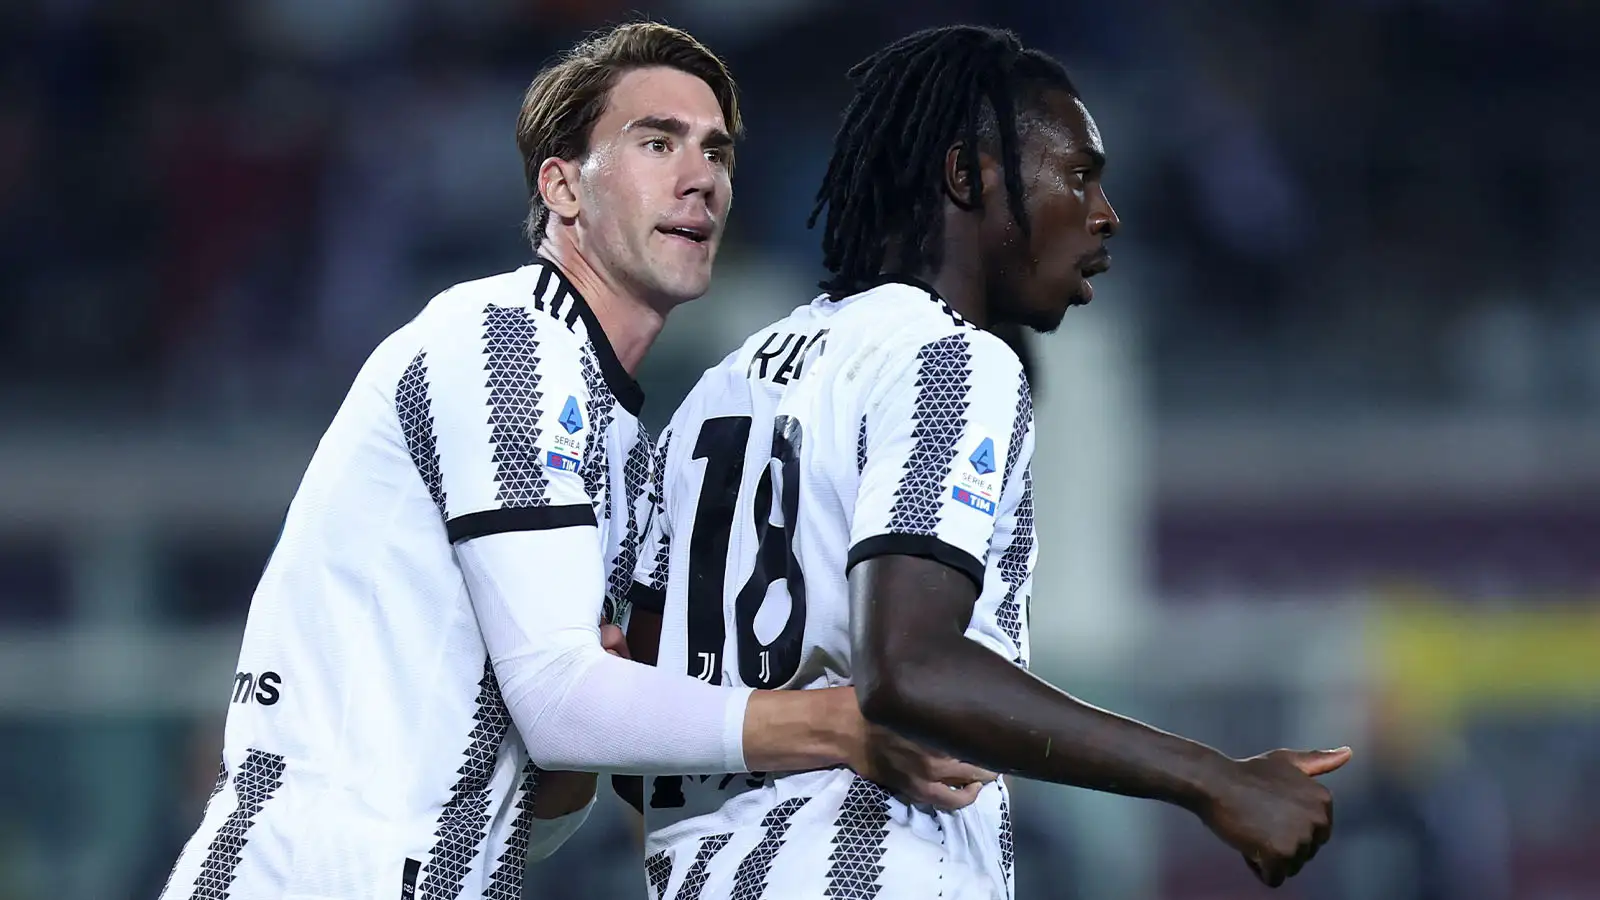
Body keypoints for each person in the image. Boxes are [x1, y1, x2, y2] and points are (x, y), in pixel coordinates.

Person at [157, 23, 988, 900]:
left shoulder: (623, 441)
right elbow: (559, 700)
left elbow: (550, 793)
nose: (699, 176)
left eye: (716, 151)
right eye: (657, 142)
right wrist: (843, 723)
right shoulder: (504, 341)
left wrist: (595, 730)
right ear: (561, 186)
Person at [625, 25, 1349, 899]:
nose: (1104, 212)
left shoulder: (720, 388)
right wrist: (1214, 779)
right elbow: (913, 664)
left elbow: (636, 739)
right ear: (967, 176)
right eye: (1078, 176)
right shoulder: (951, 356)